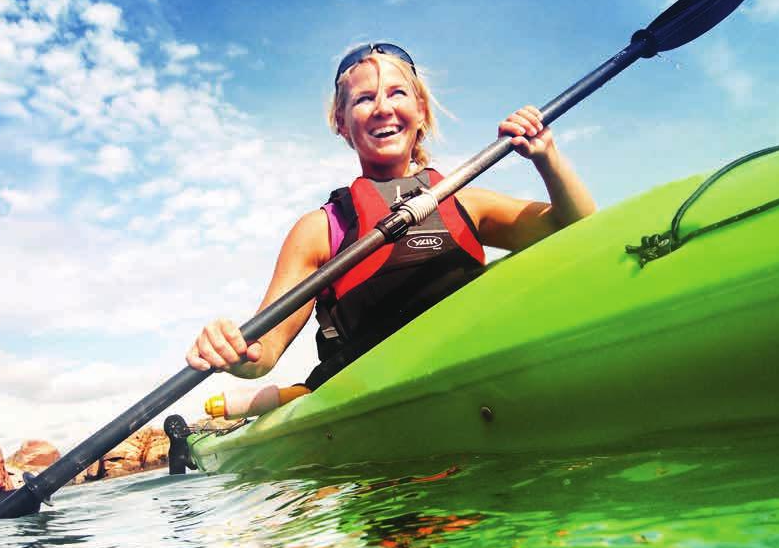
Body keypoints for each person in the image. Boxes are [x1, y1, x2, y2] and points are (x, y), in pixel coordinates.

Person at [186, 42, 596, 388]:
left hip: (477, 384)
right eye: (364, 99)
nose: (382, 108)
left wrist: (547, 158)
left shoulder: (466, 202)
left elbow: (577, 226)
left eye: (397, 94)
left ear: (420, 112)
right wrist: (232, 350)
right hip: (376, 408)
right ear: (342, 125)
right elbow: (264, 352)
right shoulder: (320, 230)